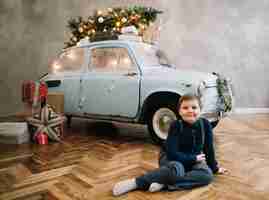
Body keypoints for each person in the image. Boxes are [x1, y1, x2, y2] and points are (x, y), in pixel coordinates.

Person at [112, 94, 228, 196]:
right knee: (177, 169)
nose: (190, 110)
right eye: (185, 108)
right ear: (179, 111)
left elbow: (209, 149)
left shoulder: (205, 125)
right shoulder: (176, 126)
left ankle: (165, 183)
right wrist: (193, 158)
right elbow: (172, 153)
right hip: (171, 157)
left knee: (206, 176)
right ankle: (137, 183)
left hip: (194, 159)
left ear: (200, 109)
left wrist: (215, 168)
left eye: (194, 107)